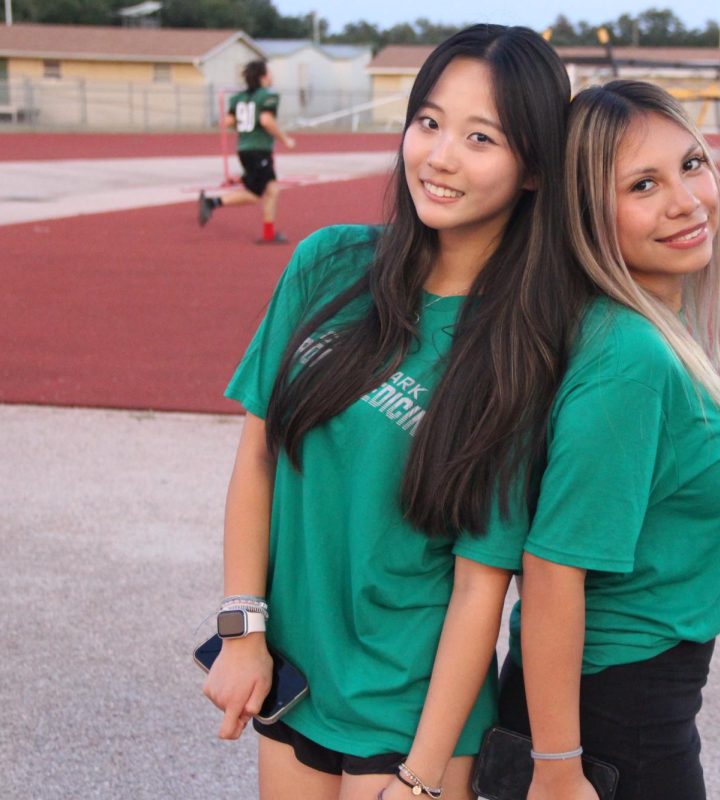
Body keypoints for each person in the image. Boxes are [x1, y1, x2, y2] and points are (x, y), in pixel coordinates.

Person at [201, 25, 588, 800]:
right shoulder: (328, 264)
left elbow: (484, 584)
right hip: (295, 680)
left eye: (482, 138)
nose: (439, 156)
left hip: (415, 715)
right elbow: (259, 457)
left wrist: (419, 779)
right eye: (430, 121)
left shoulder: (520, 349)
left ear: (536, 170)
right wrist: (243, 634)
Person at [496, 81, 720, 800]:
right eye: (644, 184)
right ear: (585, 215)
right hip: (612, 712)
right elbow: (552, 569)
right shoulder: (629, 358)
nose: (687, 200)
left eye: (693, 164)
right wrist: (557, 769)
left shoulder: (647, 330)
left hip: (627, 696)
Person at [198, 60, 296, 244]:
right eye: (269, 73)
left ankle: (269, 233)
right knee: (254, 194)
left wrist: (245, 127)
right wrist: (284, 139)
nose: (272, 77)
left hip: (245, 148)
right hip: (259, 150)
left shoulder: (238, 98)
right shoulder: (267, 96)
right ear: (263, 76)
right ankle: (212, 203)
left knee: (272, 190)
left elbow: (226, 122)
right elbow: (266, 120)